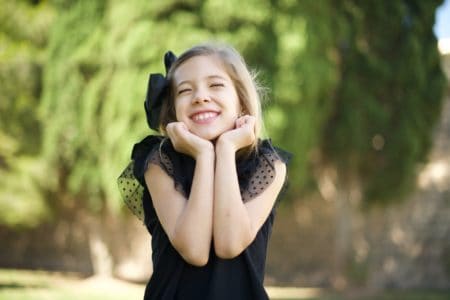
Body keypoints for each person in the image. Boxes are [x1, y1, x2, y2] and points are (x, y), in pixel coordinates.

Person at [118, 43, 291, 300]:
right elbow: (195, 250)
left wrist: (226, 148)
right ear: (173, 108)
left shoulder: (269, 165)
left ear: (242, 101)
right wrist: (204, 154)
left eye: (216, 85)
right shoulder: (159, 163)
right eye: (185, 90)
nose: (200, 97)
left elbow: (230, 244)